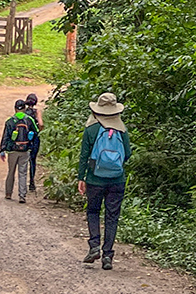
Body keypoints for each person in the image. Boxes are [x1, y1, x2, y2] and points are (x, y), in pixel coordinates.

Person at [78, 92, 131, 271]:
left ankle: (94, 246)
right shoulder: (122, 130)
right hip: (117, 180)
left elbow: (84, 155)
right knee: (112, 217)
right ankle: (107, 255)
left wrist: (81, 177)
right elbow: (128, 155)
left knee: (93, 211)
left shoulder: (91, 129)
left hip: (95, 179)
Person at [0, 99, 38, 203]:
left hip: (12, 150)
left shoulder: (10, 121)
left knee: (11, 172)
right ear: (24, 109)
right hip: (25, 150)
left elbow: (5, 136)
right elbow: (36, 133)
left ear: (15, 108)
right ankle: (22, 195)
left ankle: (8, 193)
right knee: (23, 173)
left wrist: (2, 150)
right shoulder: (29, 120)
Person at [24, 93, 43, 192]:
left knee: (23, 160)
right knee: (32, 160)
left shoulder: (23, 112)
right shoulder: (36, 112)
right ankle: (31, 182)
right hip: (34, 138)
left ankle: (22, 182)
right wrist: (38, 131)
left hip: (24, 138)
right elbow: (41, 124)